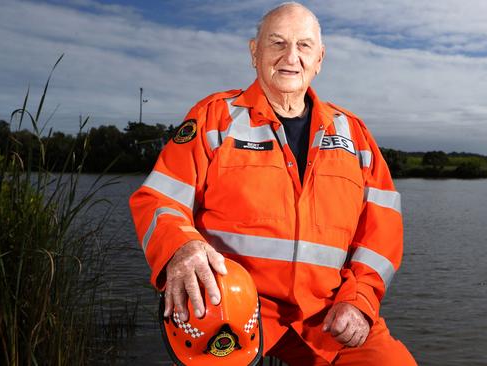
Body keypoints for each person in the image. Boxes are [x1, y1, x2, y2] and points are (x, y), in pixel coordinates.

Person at [129, 2, 416, 365]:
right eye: (277, 43)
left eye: (304, 46)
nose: (290, 57)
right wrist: (180, 248)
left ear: (320, 58)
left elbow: (381, 230)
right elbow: (158, 199)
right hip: (233, 302)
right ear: (255, 52)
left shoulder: (353, 134)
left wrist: (360, 299)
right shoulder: (215, 117)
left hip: (326, 309)